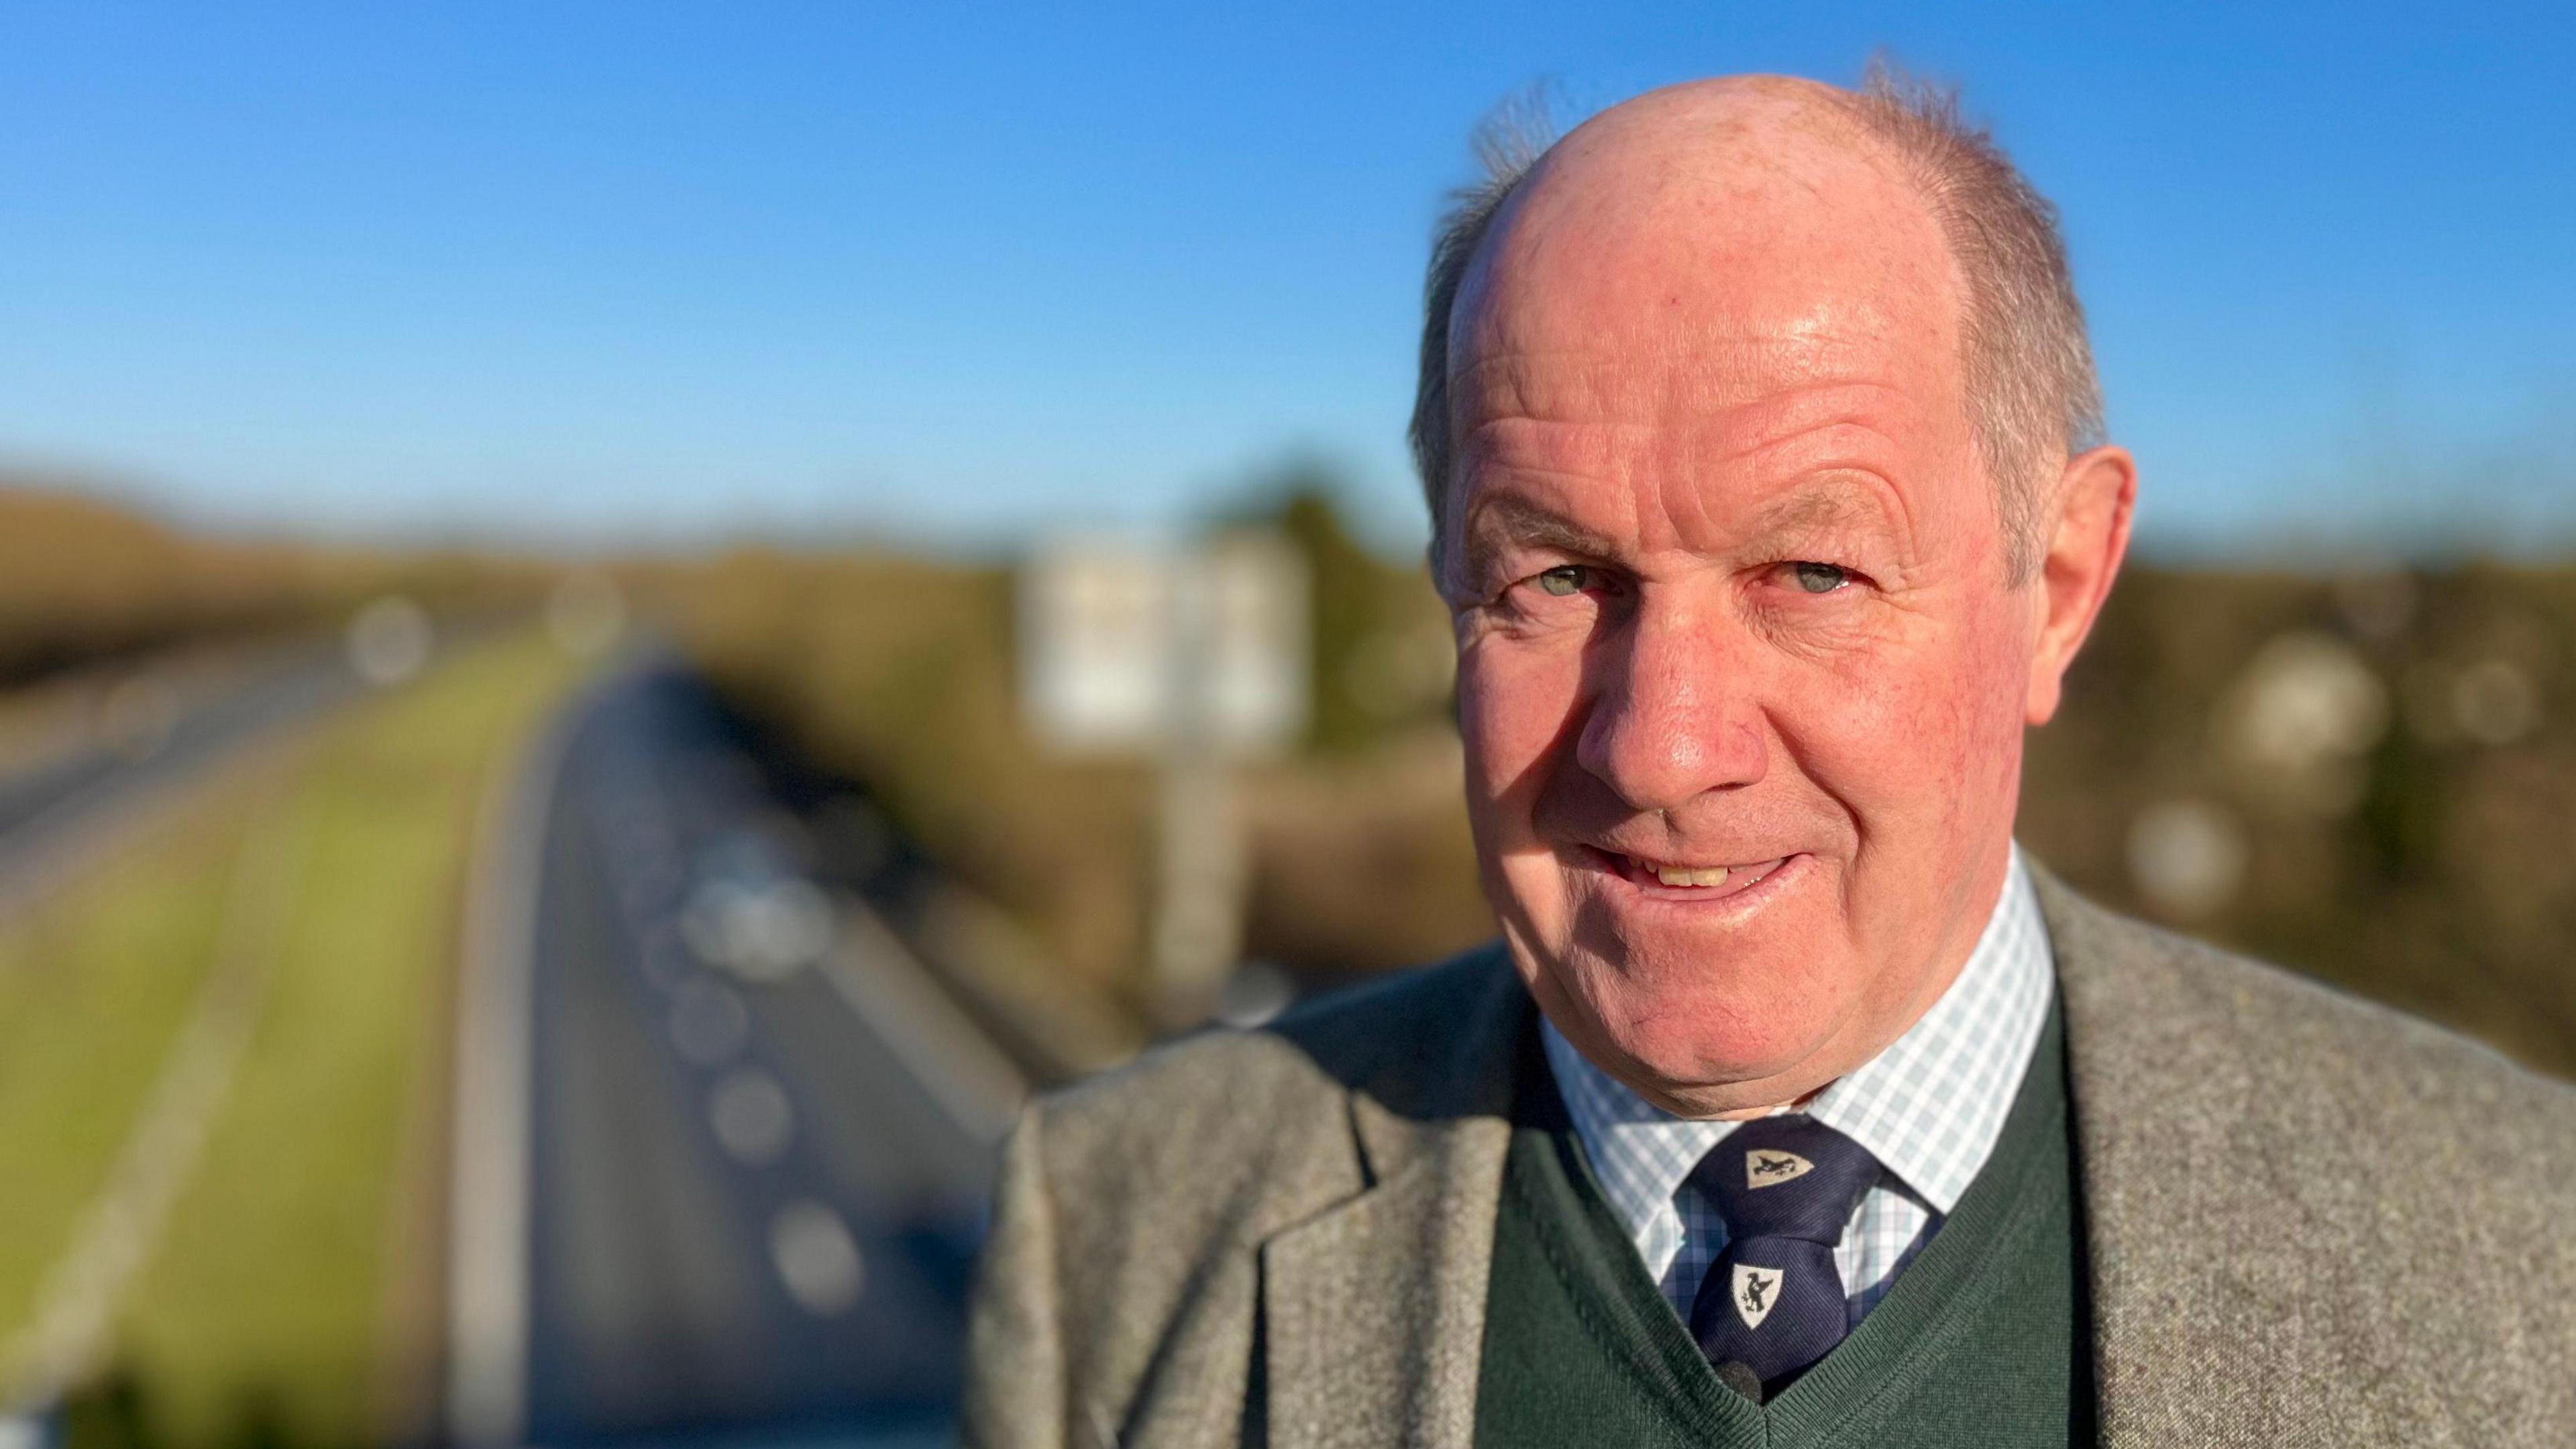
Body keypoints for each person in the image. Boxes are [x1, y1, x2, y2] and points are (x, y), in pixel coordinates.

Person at [963, 69, 2576, 1447]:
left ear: (2059, 589)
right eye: (1555, 577)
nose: (1663, 746)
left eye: (1812, 572)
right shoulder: (1118, 1228)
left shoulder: (2516, 1249)